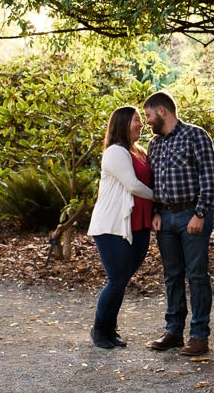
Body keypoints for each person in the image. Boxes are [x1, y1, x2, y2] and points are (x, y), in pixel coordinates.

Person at [142, 90, 214, 357]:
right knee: (172, 275)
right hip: (165, 218)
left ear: (162, 111)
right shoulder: (156, 144)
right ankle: (173, 332)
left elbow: (210, 176)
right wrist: (155, 212)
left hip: (191, 215)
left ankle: (199, 336)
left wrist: (200, 214)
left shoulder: (195, 135)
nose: (147, 121)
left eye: (149, 115)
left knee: (196, 274)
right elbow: (152, 182)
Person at [86, 106, 156, 349]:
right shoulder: (115, 152)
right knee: (116, 279)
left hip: (138, 223)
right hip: (113, 225)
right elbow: (133, 185)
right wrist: (162, 197)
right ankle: (99, 330)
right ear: (123, 124)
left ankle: (110, 329)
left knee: (122, 279)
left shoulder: (137, 151)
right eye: (137, 120)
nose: (142, 124)